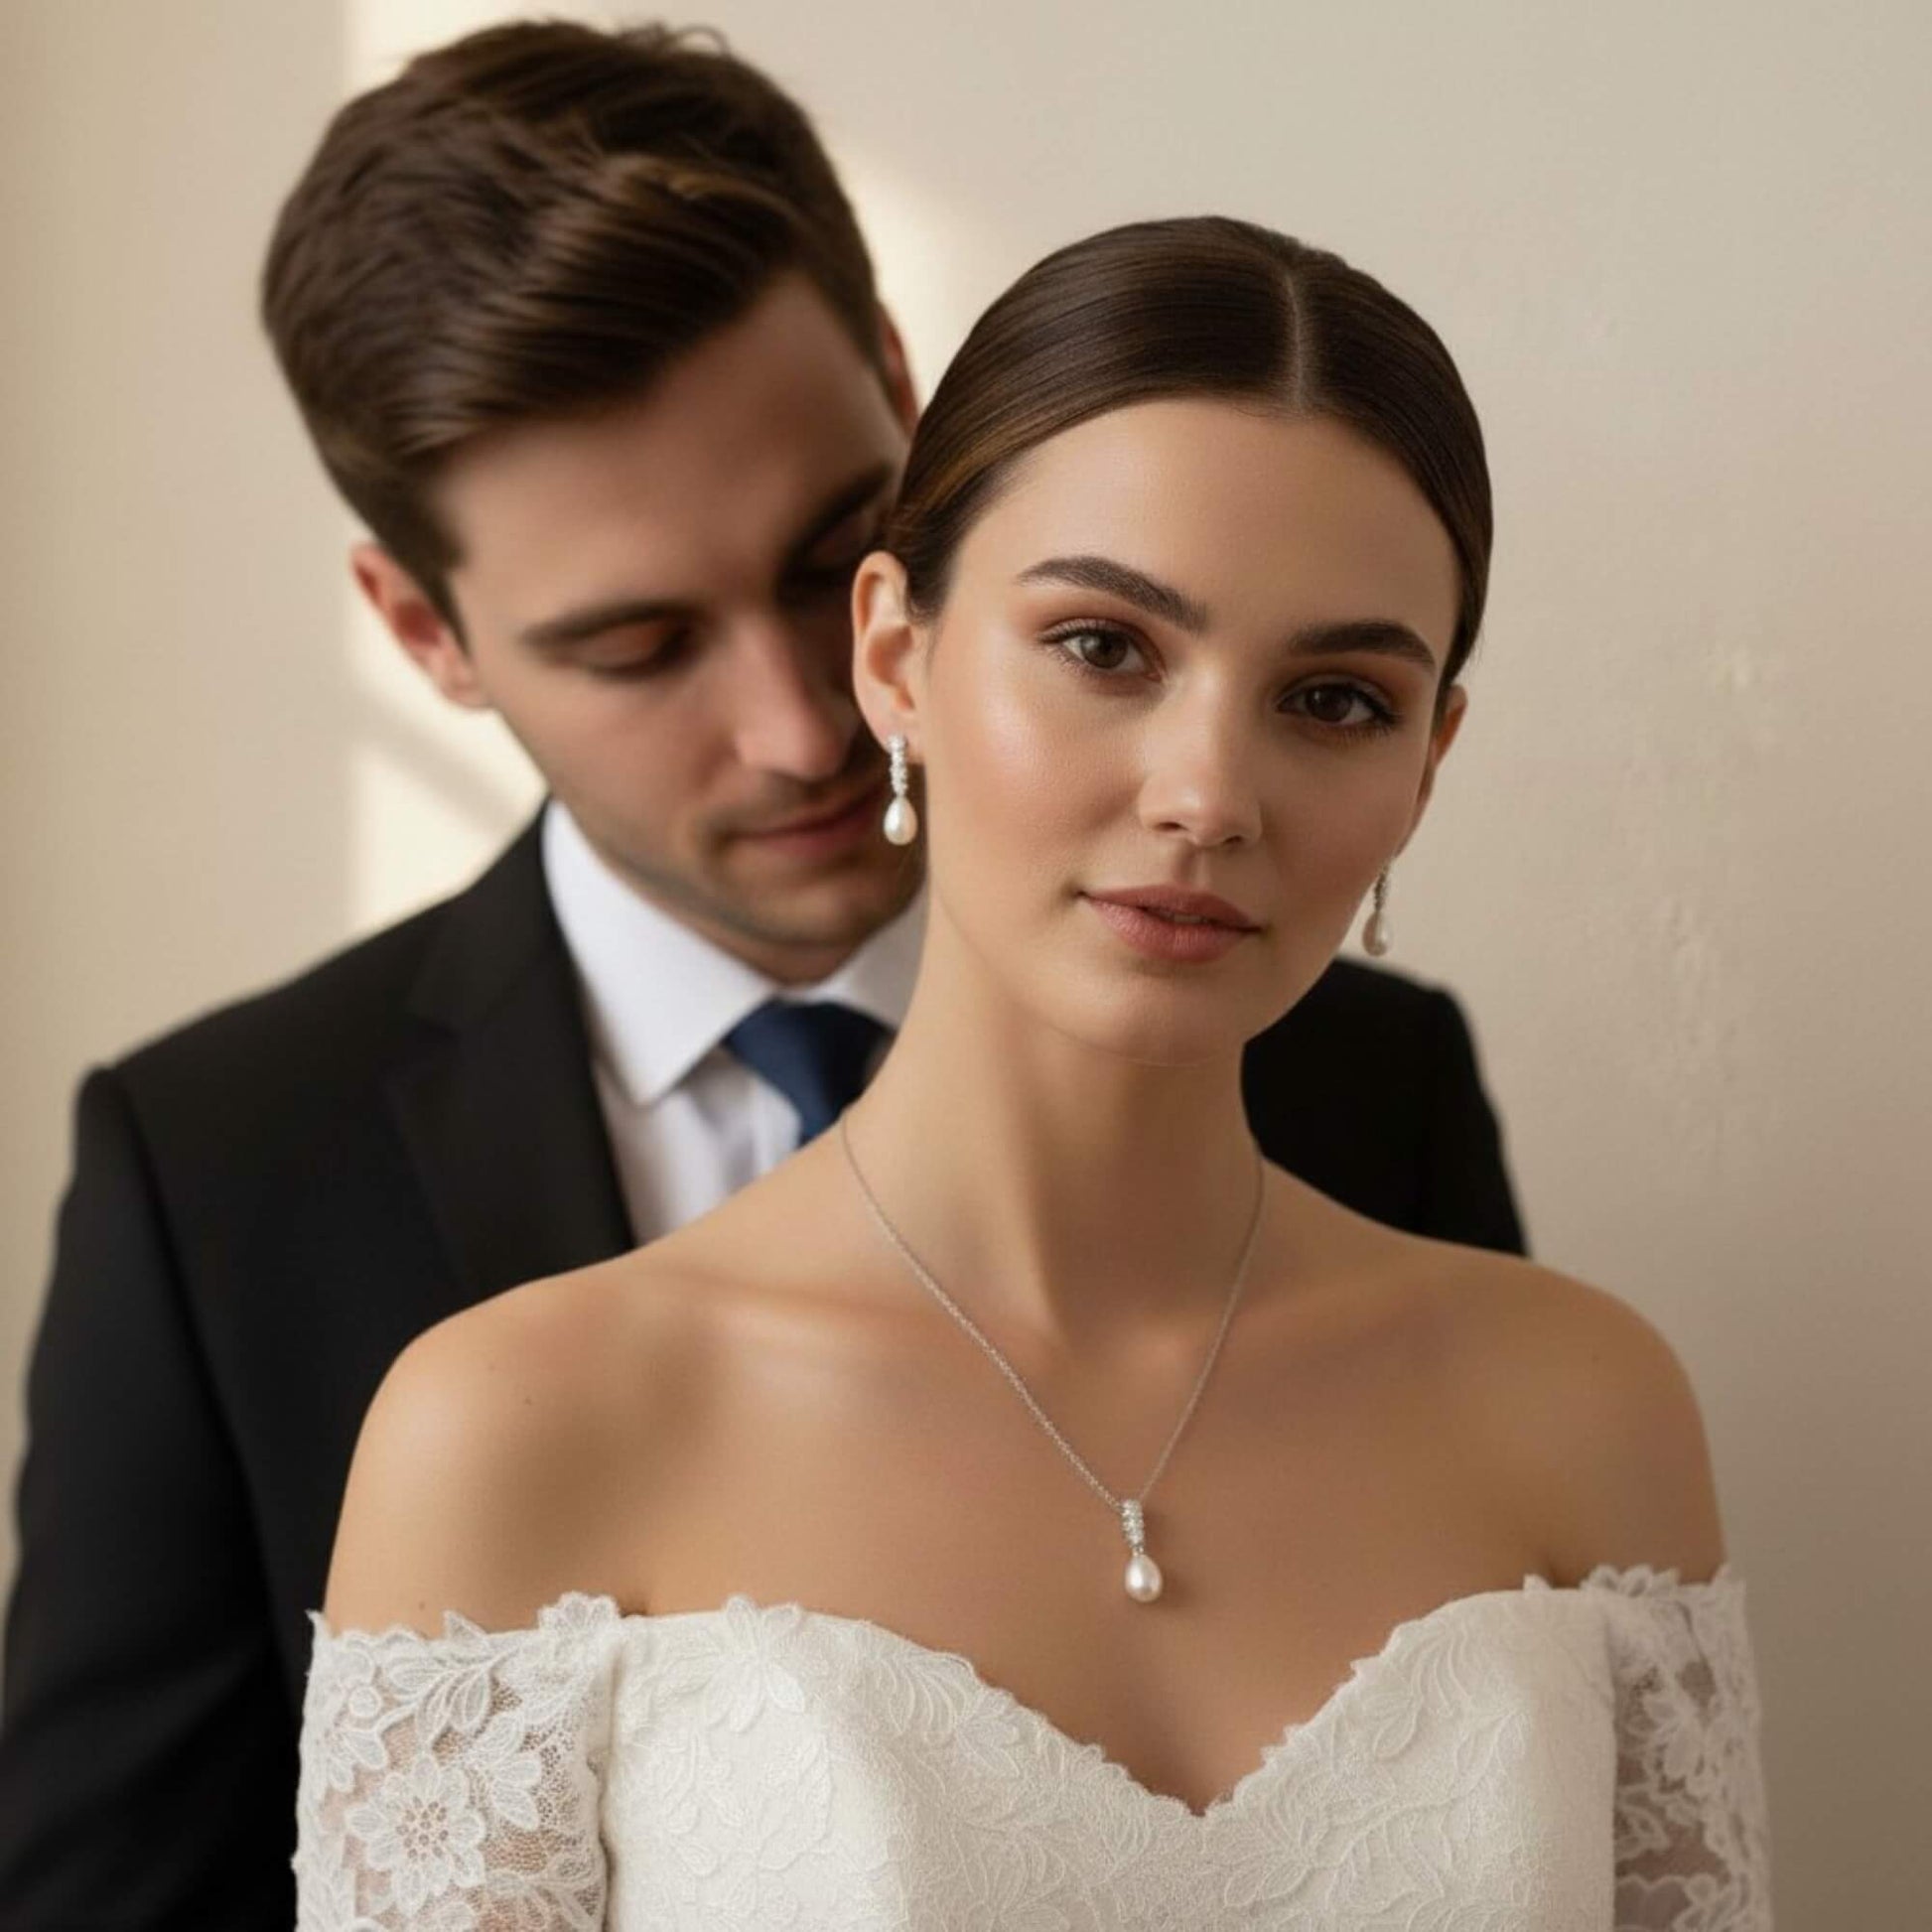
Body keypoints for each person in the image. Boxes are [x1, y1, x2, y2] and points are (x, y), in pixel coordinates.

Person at [0, 25, 1527, 1932]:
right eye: (636, 645)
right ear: (423, 630)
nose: (800, 723)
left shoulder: (1372, 1084)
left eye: (830, 563)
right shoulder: (220, 1173)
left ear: (901, 394)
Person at [294, 216, 1771, 1928]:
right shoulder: (512, 1431)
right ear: (895, 655)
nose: (1207, 790)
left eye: (1333, 697)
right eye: (1103, 647)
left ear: (1429, 757)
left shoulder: (1587, 1410)